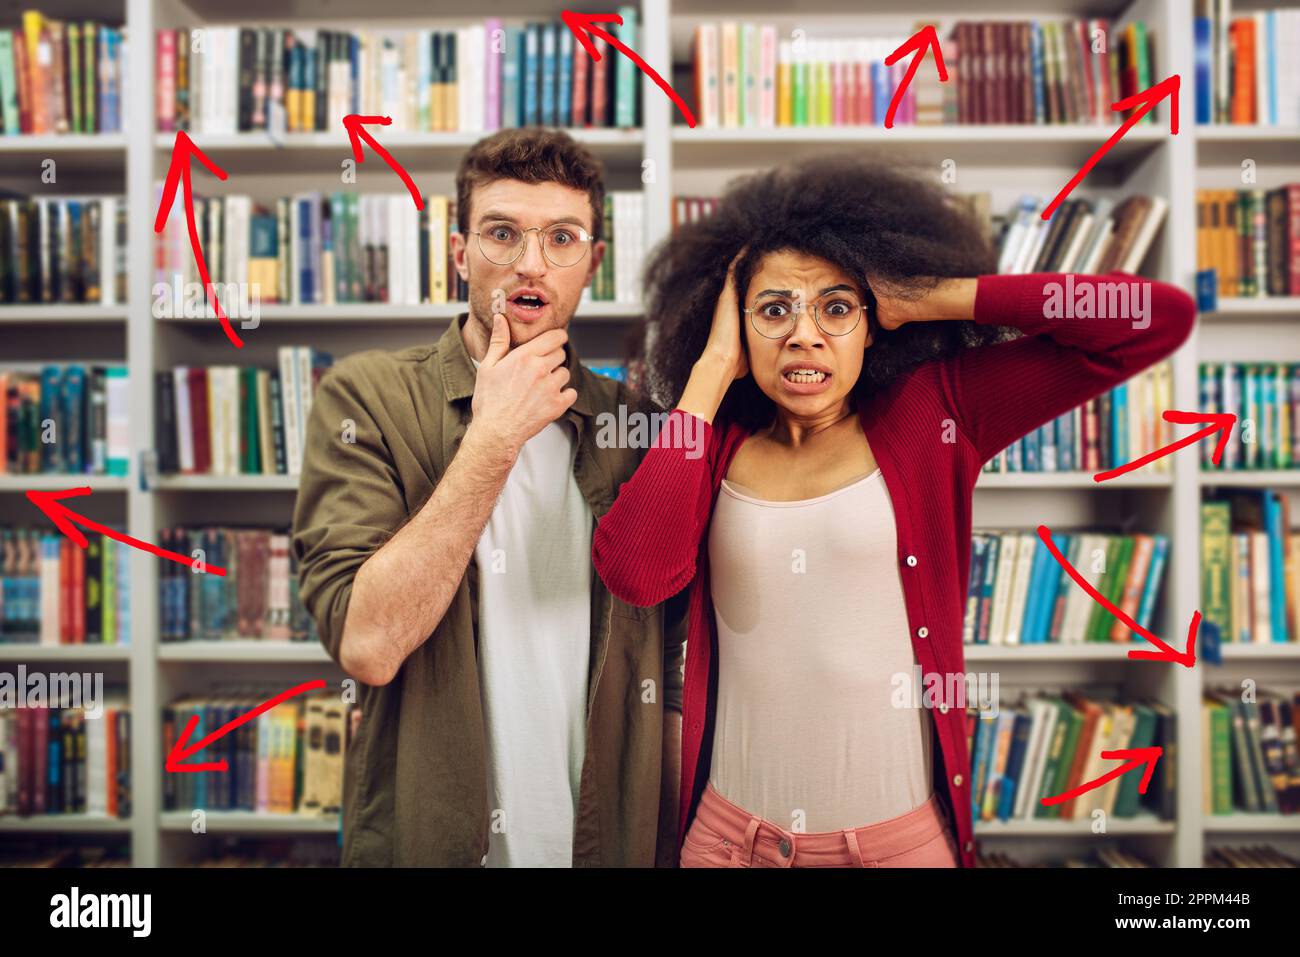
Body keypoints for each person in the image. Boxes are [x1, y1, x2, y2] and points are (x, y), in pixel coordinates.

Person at [592, 155, 1196, 868]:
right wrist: (710, 370)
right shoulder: (713, 440)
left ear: (875, 323)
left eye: (837, 307)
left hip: (895, 847)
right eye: (773, 309)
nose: (804, 334)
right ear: (734, 324)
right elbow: (634, 572)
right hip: (730, 843)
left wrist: (934, 297)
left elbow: (1151, 322)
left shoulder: (935, 414)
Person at [292, 127, 685, 867]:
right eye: (502, 233)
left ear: (593, 262)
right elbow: (369, 644)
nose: (530, 263)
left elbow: (674, 666)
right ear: (458, 250)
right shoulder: (367, 397)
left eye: (562, 238)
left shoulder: (638, 429)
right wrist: (494, 437)